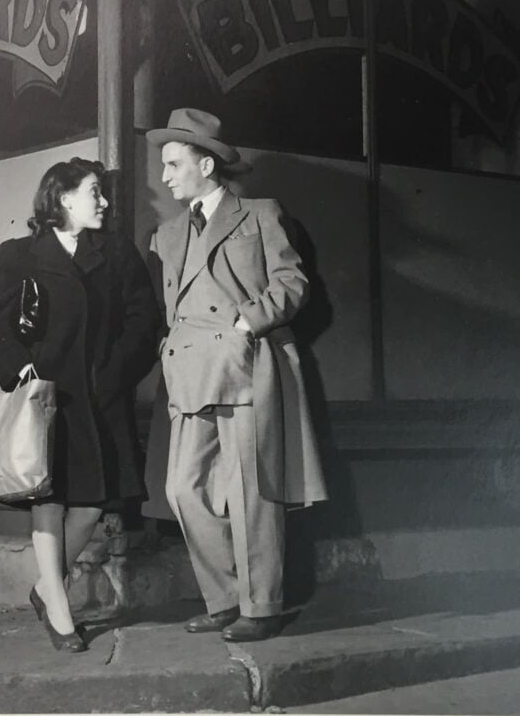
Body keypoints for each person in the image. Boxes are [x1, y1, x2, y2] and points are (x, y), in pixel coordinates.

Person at [145, 108, 328, 643]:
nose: (165, 176)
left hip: (246, 365)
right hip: (189, 371)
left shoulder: (259, 214)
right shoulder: (166, 234)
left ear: (206, 165)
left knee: (252, 490)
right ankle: (224, 597)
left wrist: (248, 323)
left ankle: (261, 605)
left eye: (174, 164)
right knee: (182, 489)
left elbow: (293, 283)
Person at [0, 157, 159, 653]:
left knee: (92, 503)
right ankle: (60, 614)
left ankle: (45, 588)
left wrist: (116, 371)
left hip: (100, 395)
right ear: (63, 199)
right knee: (48, 498)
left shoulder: (116, 252)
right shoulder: (18, 255)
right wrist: (22, 370)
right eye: (93, 192)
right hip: (47, 396)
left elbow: (143, 319)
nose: (103, 202)